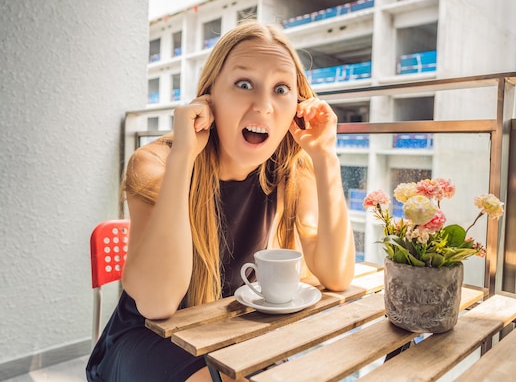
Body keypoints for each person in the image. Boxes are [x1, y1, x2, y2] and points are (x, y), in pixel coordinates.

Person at [86, 19, 355, 382]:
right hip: (148, 338)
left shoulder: (290, 173)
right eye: (244, 84)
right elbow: (158, 304)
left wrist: (325, 157)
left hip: (230, 332)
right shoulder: (157, 163)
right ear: (209, 96)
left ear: (297, 106)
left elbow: (337, 276)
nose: (263, 105)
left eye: (280, 89)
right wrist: (184, 156)